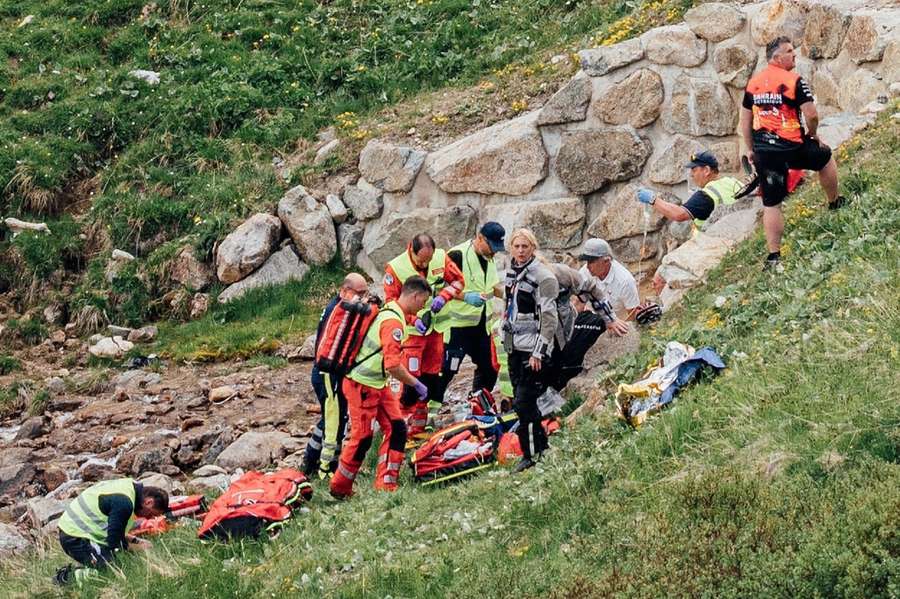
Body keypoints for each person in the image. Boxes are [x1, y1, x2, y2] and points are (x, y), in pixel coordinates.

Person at [740, 35, 847, 270]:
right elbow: (812, 114)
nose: (794, 55)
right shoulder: (794, 81)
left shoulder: (753, 84)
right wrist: (814, 133)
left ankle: (774, 255)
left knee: (772, 203)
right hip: (793, 145)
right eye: (790, 51)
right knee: (825, 158)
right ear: (777, 58)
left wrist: (750, 150)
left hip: (765, 152)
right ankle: (834, 202)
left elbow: (745, 121)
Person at [330, 275, 433, 499]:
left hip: (377, 384)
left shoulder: (393, 312)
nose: (422, 307)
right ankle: (340, 487)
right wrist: (415, 383)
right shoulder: (392, 322)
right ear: (415, 296)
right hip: (361, 386)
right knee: (362, 437)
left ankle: (387, 484)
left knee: (397, 428)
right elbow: (393, 365)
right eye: (422, 302)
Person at [384, 233, 464, 436]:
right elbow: (390, 301)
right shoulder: (396, 267)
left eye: (428, 260)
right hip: (413, 334)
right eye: (421, 260)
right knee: (410, 379)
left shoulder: (440, 258)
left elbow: (458, 282)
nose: (425, 264)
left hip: (436, 331)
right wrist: (413, 319)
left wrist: (445, 296)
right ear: (411, 250)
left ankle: (419, 425)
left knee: (431, 377)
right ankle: (401, 426)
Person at [302, 272, 370, 479]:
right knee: (335, 422)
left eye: (365, 292)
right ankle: (326, 468)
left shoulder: (340, 307)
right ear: (344, 291)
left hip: (328, 372)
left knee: (332, 418)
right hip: (327, 374)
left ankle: (310, 460)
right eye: (359, 293)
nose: (363, 297)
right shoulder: (339, 311)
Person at [502, 228, 559, 473]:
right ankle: (539, 448)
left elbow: (549, 318)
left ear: (533, 248)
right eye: (517, 247)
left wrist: (539, 352)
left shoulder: (543, 277)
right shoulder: (511, 272)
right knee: (521, 402)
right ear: (511, 248)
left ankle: (533, 454)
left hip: (533, 351)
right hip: (514, 346)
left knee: (525, 402)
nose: (521, 251)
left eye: (525, 247)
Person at [55, 479, 168, 584]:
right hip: (75, 537)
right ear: (149, 502)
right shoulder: (124, 503)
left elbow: (114, 530)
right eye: (151, 514)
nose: (148, 518)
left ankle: (91, 562)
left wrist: (135, 540)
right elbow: (115, 543)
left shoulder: (129, 487)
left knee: (119, 560)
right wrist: (140, 548)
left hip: (76, 530)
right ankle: (66, 576)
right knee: (113, 572)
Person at [439, 222, 506, 399]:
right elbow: (441, 288)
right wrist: (466, 297)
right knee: (447, 369)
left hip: (482, 327)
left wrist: (509, 294)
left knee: (490, 367)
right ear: (480, 238)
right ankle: (428, 412)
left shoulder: (489, 258)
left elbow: (492, 286)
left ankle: (478, 403)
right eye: (491, 247)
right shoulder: (457, 255)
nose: (494, 252)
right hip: (457, 327)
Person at [637, 151, 743, 232]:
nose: (691, 175)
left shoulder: (706, 195)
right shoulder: (733, 182)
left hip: (716, 245)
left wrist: (653, 199)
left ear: (706, 170)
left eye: (694, 170)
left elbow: (679, 214)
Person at [578, 238, 640, 332]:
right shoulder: (585, 272)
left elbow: (633, 314)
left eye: (591, 261)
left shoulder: (625, 281)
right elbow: (576, 302)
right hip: (589, 321)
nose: (587, 266)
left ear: (606, 261)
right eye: (587, 261)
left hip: (615, 326)